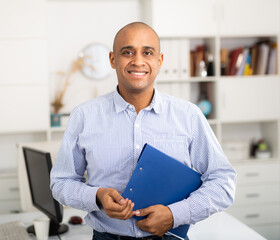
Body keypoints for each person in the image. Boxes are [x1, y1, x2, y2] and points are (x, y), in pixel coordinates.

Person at [50, 22, 236, 240]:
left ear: (159, 60)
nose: (138, 61)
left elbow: (223, 182)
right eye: (127, 52)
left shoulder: (189, 115)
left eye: (147, 52)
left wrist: (174, 215)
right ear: (113, 59)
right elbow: (61, 182)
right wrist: (97, 196)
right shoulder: (84, 116)